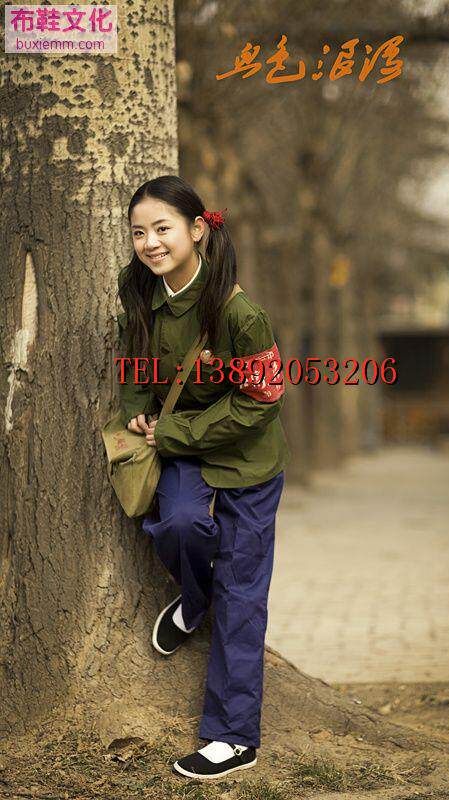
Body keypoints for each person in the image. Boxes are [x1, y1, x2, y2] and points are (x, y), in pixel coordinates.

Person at [115, 175, 291, 780]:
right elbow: (134, 360)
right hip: (180, 446)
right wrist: (137, 407)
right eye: (138, 232)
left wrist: (175, 433)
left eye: (162, 228)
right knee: (180, 524)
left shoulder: (240, 313)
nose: (150, 243)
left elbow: (262, 398)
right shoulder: (138, 290)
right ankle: (194, 600)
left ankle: (233, 738)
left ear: (196, 230)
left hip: (248, 459)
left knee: (242, 594)